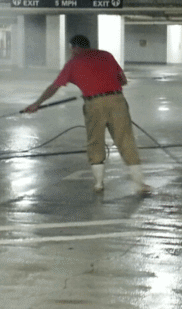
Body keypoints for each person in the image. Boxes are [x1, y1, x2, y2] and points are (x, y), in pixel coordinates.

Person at [22, 34, 150, 194]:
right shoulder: (106, 55)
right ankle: (139, 185)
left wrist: (37, 104)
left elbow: (54, 87)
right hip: (117, 101)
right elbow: (123, 81)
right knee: (126, 140)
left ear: (74, 47)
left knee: (95, 140)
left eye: (71, 49)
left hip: (93, 103)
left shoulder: (73, 62)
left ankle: (98, 184)